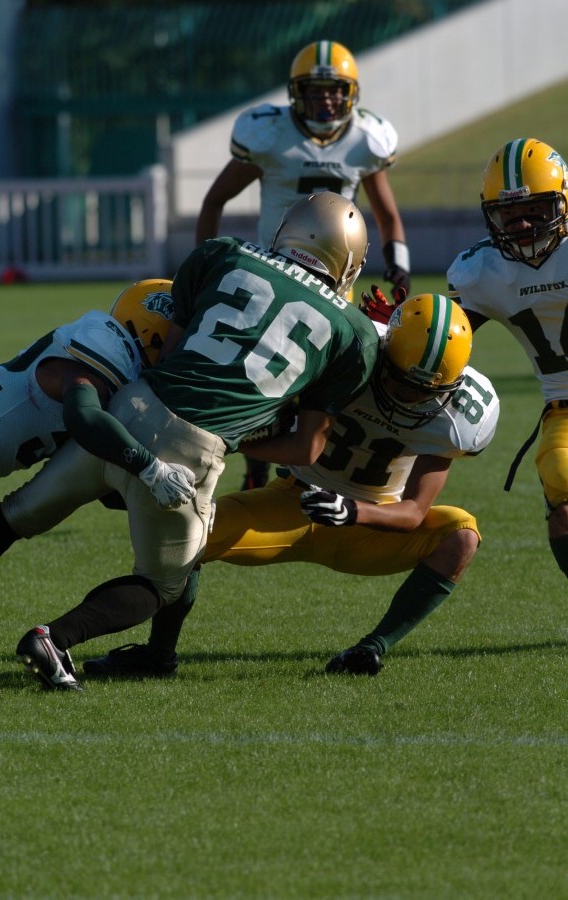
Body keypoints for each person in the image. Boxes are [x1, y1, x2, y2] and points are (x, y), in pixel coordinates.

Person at [4, 191, 381, 691]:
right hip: (192, 448)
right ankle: (54, 638)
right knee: (164, 582)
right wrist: (240, 438)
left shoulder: (224, 252)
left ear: (286, 230)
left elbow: (173, 354)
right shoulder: (354, 333)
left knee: (14, 514)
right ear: (347, 261)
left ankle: (159, 656)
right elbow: (307, 449)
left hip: (129, 408)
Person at [81, 293, 500, 679]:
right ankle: (157, 656)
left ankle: (371, 648)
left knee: (461, 534)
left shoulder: (458, 415)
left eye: (425, 390)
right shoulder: (351, 351)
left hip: (370, 524)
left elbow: (413, 512)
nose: (409, 397)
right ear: (385, 351)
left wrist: (351, 511)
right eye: (402, 381)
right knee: (186, 541)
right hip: (291, 501)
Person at [195, 39, 410, 490]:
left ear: (351, 95)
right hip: (271, 276)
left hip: (336, 284)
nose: (326, 100)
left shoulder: (364, 140)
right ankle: (257, 467)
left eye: (335, 91)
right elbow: (214, 200)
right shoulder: (270, 135)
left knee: (321, 387)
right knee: (264, 377)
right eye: (316, 90)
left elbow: (388, 215)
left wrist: (399, 266)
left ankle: (306, 474)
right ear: (297, 93)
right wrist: (201, 265)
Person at [447, 137, 568, 580]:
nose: (523, 225)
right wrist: (401, 330)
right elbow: (446, 340)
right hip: (564, 406)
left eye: (535, 210)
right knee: (562, 489)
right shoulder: (480, 271)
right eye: (510, 215)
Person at [0, 279, 174, 493]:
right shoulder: (110, 351)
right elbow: (82, 415)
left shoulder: (106, 344)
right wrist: (149, 467)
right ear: (154, 334)